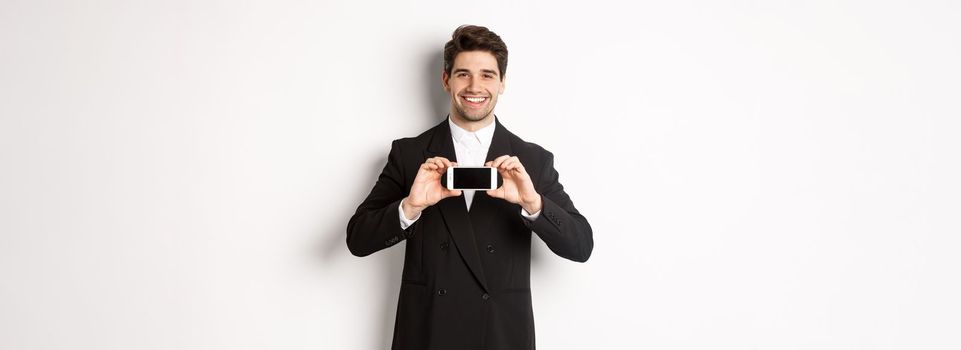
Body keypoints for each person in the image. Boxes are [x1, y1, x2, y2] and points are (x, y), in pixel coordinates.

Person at [346, 24, 593, 350]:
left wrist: (534, 205)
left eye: (488, 75)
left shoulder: (532, 160)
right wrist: (410, 208)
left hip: (502, 336)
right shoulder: (409, 154)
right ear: (446, 80)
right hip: (428, 333)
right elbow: (358, 239)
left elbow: (581, 246)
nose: (475, 86)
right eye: (463, 74)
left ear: (503, 83)